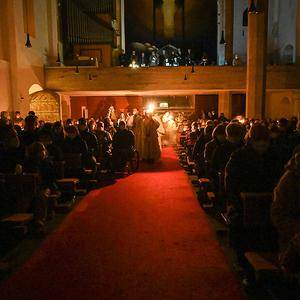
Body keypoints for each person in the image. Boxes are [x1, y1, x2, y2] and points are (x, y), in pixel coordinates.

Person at [225, 124, 284, 283]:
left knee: (276, 226)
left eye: (265, 141)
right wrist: (239, 201)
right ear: (250, 141)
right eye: (258, 141)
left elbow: (281, 180)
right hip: (243, 203)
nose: (262, 144)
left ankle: (273, 262)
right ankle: (246, 265)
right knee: (240, 224)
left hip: (270, 203)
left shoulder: (276, 156)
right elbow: (231, 183)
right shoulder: (238, 157)